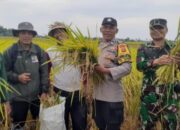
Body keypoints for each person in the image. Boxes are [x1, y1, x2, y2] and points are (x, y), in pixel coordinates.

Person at [4, 22, 49, 130]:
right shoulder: (11, 52)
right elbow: (4, 73)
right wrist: (17, 77)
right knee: (18, 125)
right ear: (18, 34)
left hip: (36, 97)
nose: (26, 36)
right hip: (18, 97)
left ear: (32, 35)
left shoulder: (39, 51)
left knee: (37, 123)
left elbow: (44, 72)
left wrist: (44, 91)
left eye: (29, 33)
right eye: (23, 33)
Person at [136, 18, 179, 130]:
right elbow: (139, 66)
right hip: (149, 94)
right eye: (153, 28)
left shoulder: (174, 48)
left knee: (171, 124)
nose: (156, 30)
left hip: (170, 93)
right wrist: (156, 62)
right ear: (149, 31)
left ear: (166, 30)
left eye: (160, 28)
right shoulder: (143, 48)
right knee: (147, 125)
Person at [93, 17, 132, 130]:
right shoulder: (95, 46)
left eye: (111, 27)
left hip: (112, 97)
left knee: (113, 126)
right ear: (101, 29)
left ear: (116, 30)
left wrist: (106, 71)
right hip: (96, 95)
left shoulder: (121, 47)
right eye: (105, 27)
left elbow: (127, 67)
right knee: (99, 125)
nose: (108, 30)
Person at [47, 22, 87, 130]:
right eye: (56, 32)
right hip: (60, 92)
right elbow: (45, 72)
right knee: (61, 123)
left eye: (62, 31)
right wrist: (49, 90)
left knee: (80, 123)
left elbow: (86, 69)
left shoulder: (79, 49)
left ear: (68, 33)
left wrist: (86, 86)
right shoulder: (50, 52)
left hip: (79, 93)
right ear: (53, 36)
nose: (59, 35)